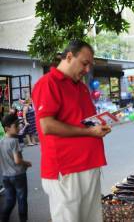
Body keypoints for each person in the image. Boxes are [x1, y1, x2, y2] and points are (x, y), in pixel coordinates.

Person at [31, 39, 112, 222]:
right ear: (69, 57)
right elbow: (47, 125)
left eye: (90, 65)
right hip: (66, 169)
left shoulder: (81, 87)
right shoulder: (48, 83)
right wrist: (90, 132)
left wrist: (99, 125)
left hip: (89, 164)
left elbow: (83, 122)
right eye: (84, 63)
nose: (87, 69)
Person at [0, 114, 32, 222]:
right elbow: (17, 160)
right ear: (7, 128)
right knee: (22, 199)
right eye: (16, 126)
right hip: (18, 176)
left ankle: (4, 218)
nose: (18, 128)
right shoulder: (14, 141)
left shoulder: (1, 142)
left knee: (10, 200)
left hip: (6, 176)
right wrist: (26, 163)